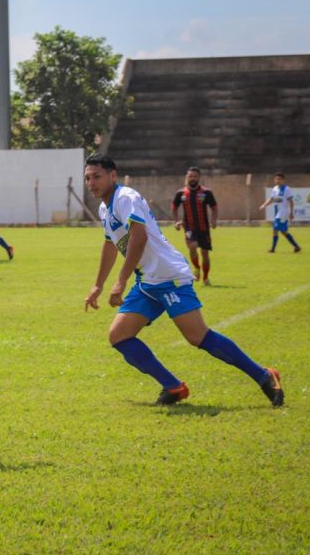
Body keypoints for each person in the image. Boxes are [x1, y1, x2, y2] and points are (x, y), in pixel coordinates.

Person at [82, 153, 284, 407]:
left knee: (197, 336)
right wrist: (98, 285)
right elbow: (111, 243)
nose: (91, 183)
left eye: (97, 177)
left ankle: (264, 376)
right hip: (148, 281)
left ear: (113, 175)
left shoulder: (125, 198)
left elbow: (139, 237)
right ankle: (173, 387)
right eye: (88, 178)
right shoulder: (105, 206)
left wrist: (120, 281)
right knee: (119, 336)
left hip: (168, 276)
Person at [171, 166, 217, 285]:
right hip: (189, 227)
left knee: (205, 253)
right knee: (192, 246)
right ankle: (196, 267)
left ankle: (205, 277)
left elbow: (214, 207)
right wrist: (176, 221)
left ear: (199, 178)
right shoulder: (181, 193)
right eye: (190, 176)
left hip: (204, 227)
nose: (192, 178)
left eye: (195, 176)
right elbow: (174, 207)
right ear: (187, 177)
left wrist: (214, 220)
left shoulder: (206, 192)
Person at [259, 172, 301, 253]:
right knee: (282, 231)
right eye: (276, 179)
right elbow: (271, 199)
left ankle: (273, 249)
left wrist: (291, 213)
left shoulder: (286, 189)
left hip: (283, 212)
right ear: (274, 180)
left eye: (279, 179)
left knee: (276, 228)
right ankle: (296, 246)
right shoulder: (274, 189)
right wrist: (264, 205)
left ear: (283, 180)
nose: (277, 180)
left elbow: (291, 201)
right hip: (277, 212)